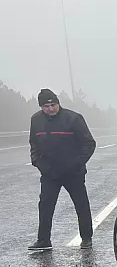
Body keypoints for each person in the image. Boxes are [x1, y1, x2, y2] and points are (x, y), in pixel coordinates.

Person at [28, 89, 96, 251]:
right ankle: (43, 240)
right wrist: (37, 161)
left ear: (58, 104)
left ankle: (86, 238)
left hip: (73, 172)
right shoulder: (36, 120)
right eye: (46, 106)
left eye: (53, 105)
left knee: (81, 205)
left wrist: (77, 163)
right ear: (41, 107)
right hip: (49, 173)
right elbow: (33, 144)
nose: (50, 108)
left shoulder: (74, 119)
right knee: (45, 205)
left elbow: (89, 143)